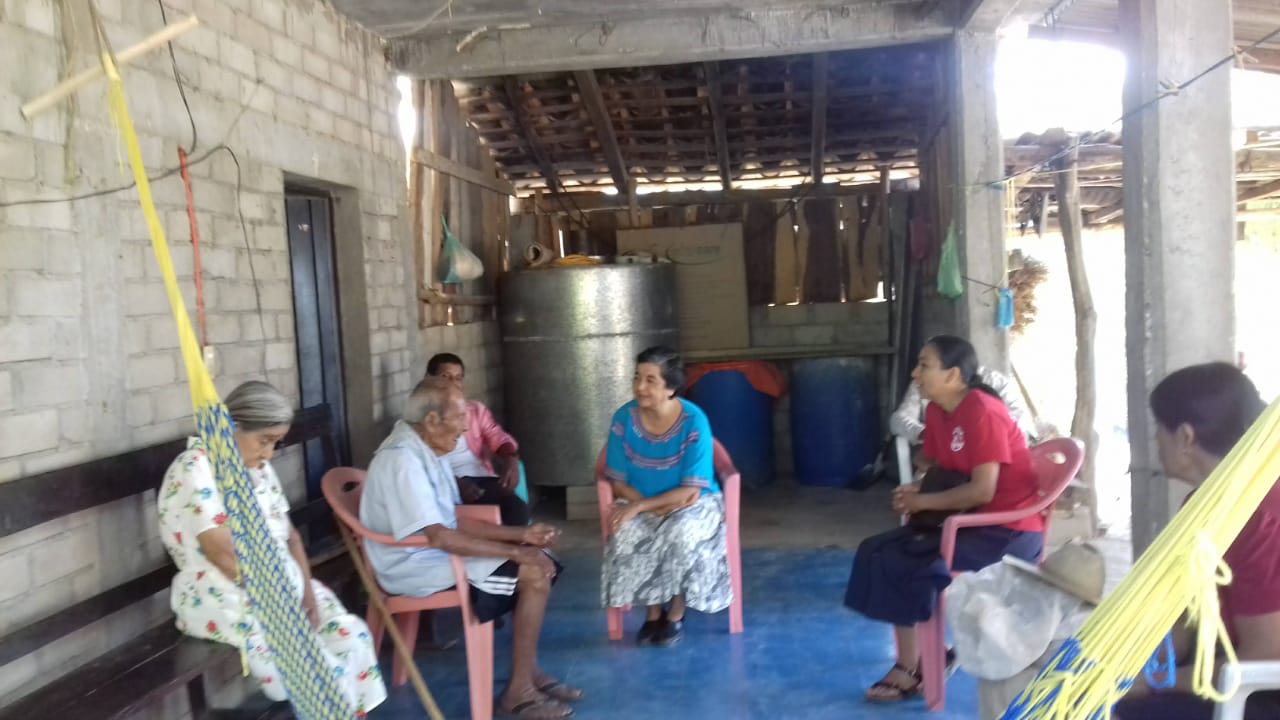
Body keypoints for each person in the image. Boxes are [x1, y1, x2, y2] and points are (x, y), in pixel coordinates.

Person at [157, 381, 386, 715]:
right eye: (264, 441)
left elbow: (290, 536)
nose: (268, 454)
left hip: (283, 585)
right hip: (224, 591)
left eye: (275, 443)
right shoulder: (196, 468)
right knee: (315, 668)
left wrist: (306, 591)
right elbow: (222, 554)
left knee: (353, 637)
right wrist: (280, 605)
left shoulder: (257, 470)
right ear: (232, 428)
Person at [361, 377, 581, 720]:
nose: (466, 426)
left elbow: (453, 521)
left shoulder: (427, 450)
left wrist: (521, 536)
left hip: (433, 551)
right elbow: (440, 536)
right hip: (411, 565)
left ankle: (528, 673)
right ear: (432, 420)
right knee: (532, 571)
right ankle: (518, 692)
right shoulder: (402, 460)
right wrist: (516, 552)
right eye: (460, 416)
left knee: (540, 561)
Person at [844, 335, 1045, 703]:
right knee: (877, 551)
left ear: (953, 375)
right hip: (969, 519)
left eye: (924, 365)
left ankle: (915, 666)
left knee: (908, 561)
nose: (915, 373)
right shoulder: (937, 411)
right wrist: (916, 490)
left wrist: (924, 501)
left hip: (1006, 530)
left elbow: (984, 490)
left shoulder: (982, 410)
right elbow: (939, 467)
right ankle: (920, 660)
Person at [1115, 362, 1280, 720]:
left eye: (1159, 428)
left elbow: (1268, 654)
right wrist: (1141, 666)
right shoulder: (1202, 505)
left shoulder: (1262, 518)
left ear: (1186, 437)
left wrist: (1155, 681)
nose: (1155, 440)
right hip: (1229, 658)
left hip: (1263, 687)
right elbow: (1190, 615)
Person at [600, 346, 732, 647]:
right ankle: (651, 613)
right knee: (627, 531)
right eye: (637, 378)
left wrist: (643, 506)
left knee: (680, 532)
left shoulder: (693, 420)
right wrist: (639, 507)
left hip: (692, 503)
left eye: (650, 380)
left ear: (671, 388)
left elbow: (691, 490)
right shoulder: (623, 418)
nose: (639, 387)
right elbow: (617, 480)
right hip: (638, 498)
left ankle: (675, 612)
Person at [427, 352, 530, 526]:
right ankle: (513, 550)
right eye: (446, 377)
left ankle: (517, 550)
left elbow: (495, 435)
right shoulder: (424, 418)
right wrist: (453, 484)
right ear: (429, 380)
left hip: (480, 479)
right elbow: (423, 466)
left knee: (516, 508)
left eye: (458, 378)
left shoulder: (473, 410)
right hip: (445, 485)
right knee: (493, 516)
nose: (453, 383)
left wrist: (510, 459)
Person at [890, 363, 1036, 446]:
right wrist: (924, 434)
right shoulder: (926, 390)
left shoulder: (993, 382)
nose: (915, 372)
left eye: (925, 364)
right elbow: (898, 420)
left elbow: (1019, 421)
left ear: (952, 372)